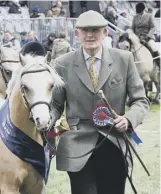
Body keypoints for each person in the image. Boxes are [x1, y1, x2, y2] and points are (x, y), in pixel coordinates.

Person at [50, 10, 150, 194]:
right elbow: (55, 105)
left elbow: (140, 101)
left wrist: (128, 119)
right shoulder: (61, 64)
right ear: (76, 33)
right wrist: (45, 120)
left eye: (95, 30)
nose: (90, 35)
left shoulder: (124, 59)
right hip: (76, 145)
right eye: (85, 30)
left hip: (114, 142)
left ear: (105, 32)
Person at [132, 2, 160, 68]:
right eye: (138, 12)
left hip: (148, 37)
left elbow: (153, 27)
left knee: (154, 48)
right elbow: (132, 28)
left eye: (141, 12)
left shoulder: (149, 16)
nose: (139, 13)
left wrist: (147, 37)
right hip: (138, 38)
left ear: (144, 10)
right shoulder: (135, 17)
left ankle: (159, 64)